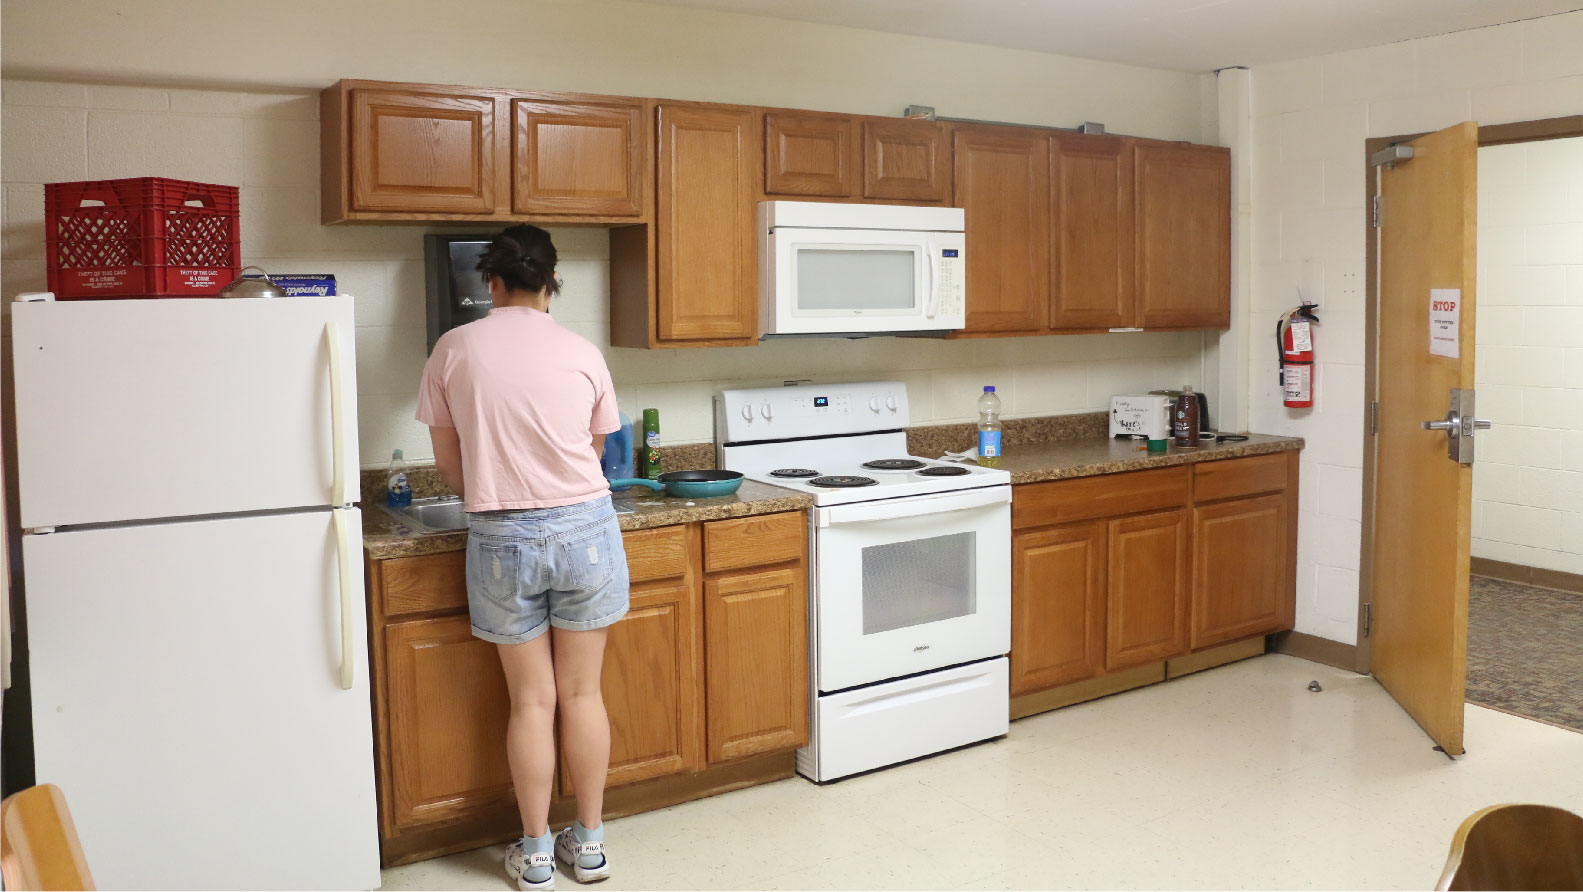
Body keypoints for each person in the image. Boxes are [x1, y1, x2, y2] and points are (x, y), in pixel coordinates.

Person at [416, 224, 626, 890]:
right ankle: (587, 847)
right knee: (583, 693)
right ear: (553, 280)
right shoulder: (581, 349)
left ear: (492, 281)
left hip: (501, 533)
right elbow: (595, 450)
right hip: (586, 528)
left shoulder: (454, 347)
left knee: (532, 702)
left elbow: (449, 462)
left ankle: (535, 855)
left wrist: (499, 492)